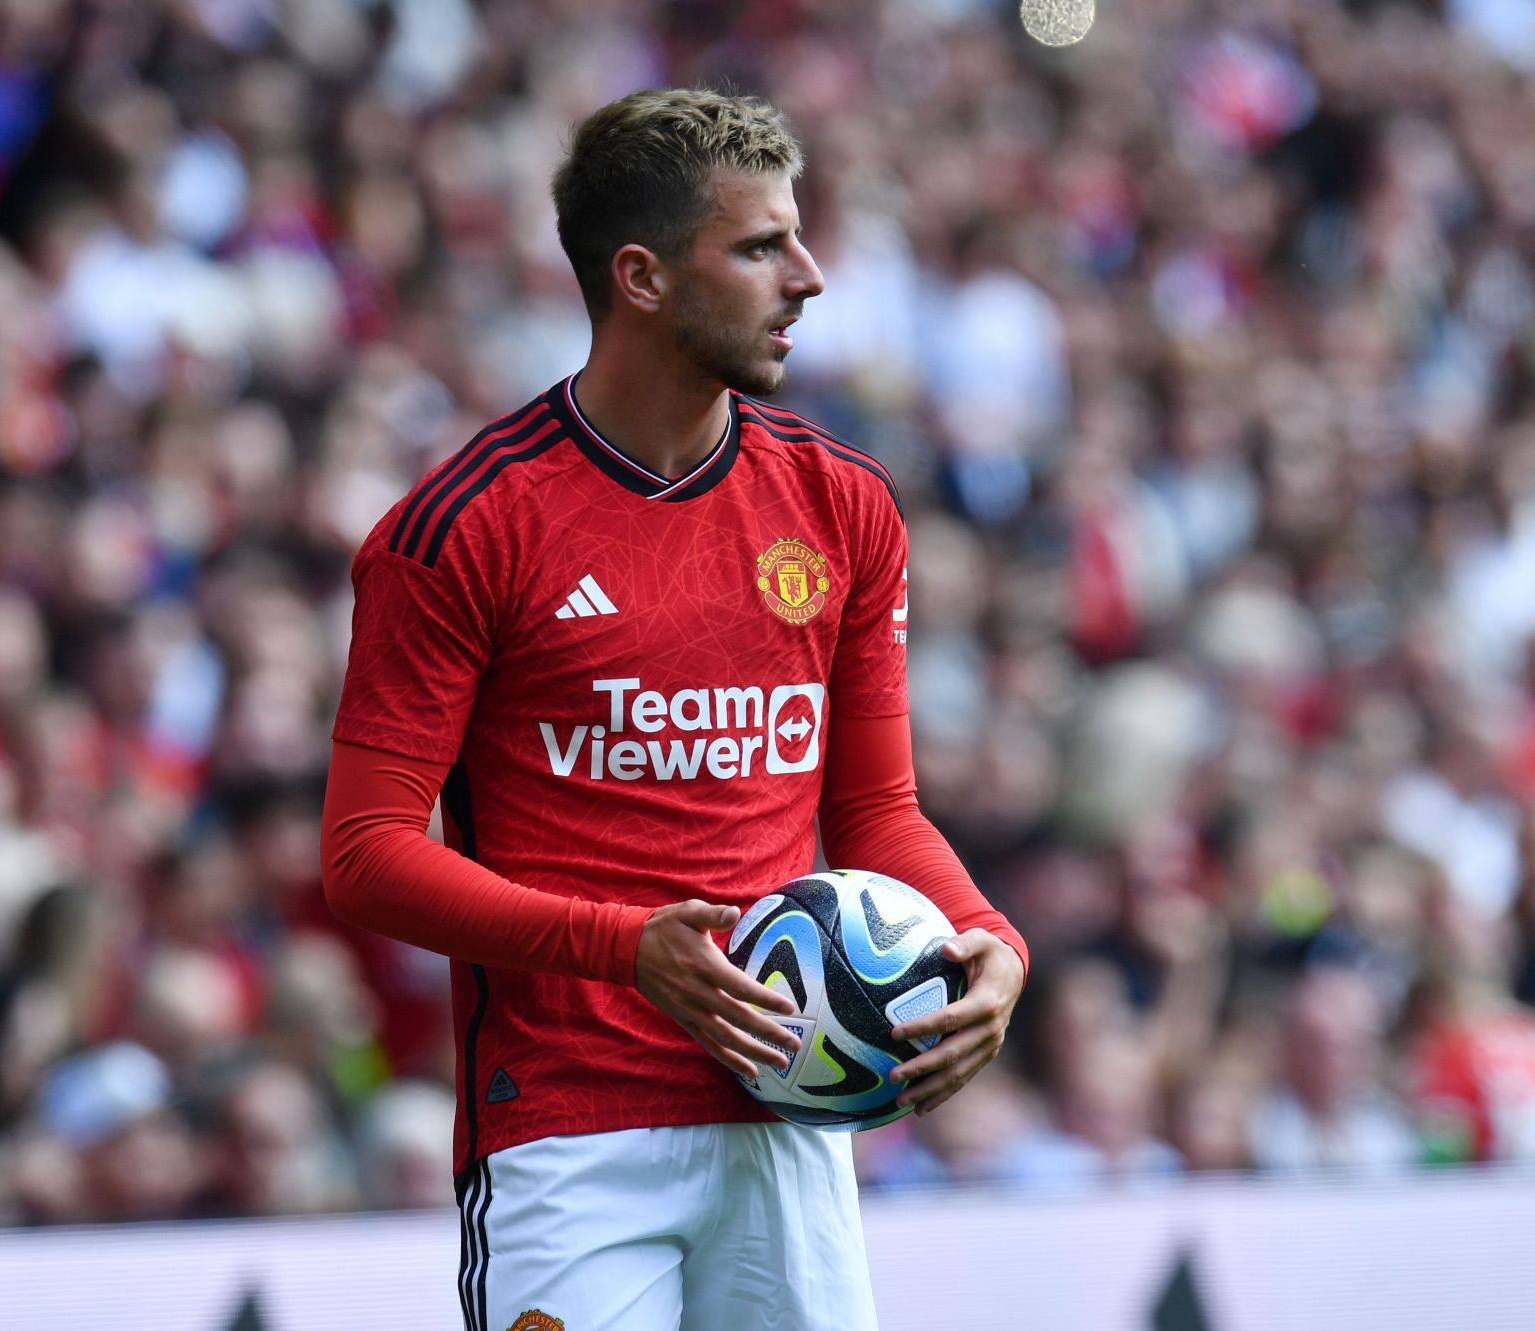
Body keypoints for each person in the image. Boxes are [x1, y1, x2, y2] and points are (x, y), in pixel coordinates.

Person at [321, 88, 1029, 1331]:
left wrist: (988, 940)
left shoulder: (844, 504)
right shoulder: (463, 528)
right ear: (640, 277)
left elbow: (876, 809)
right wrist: (624, 944)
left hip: (791, 1115)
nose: (808, 277)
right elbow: (366, 857)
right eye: (761, 247)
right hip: (569, 1134)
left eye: (800, 238)